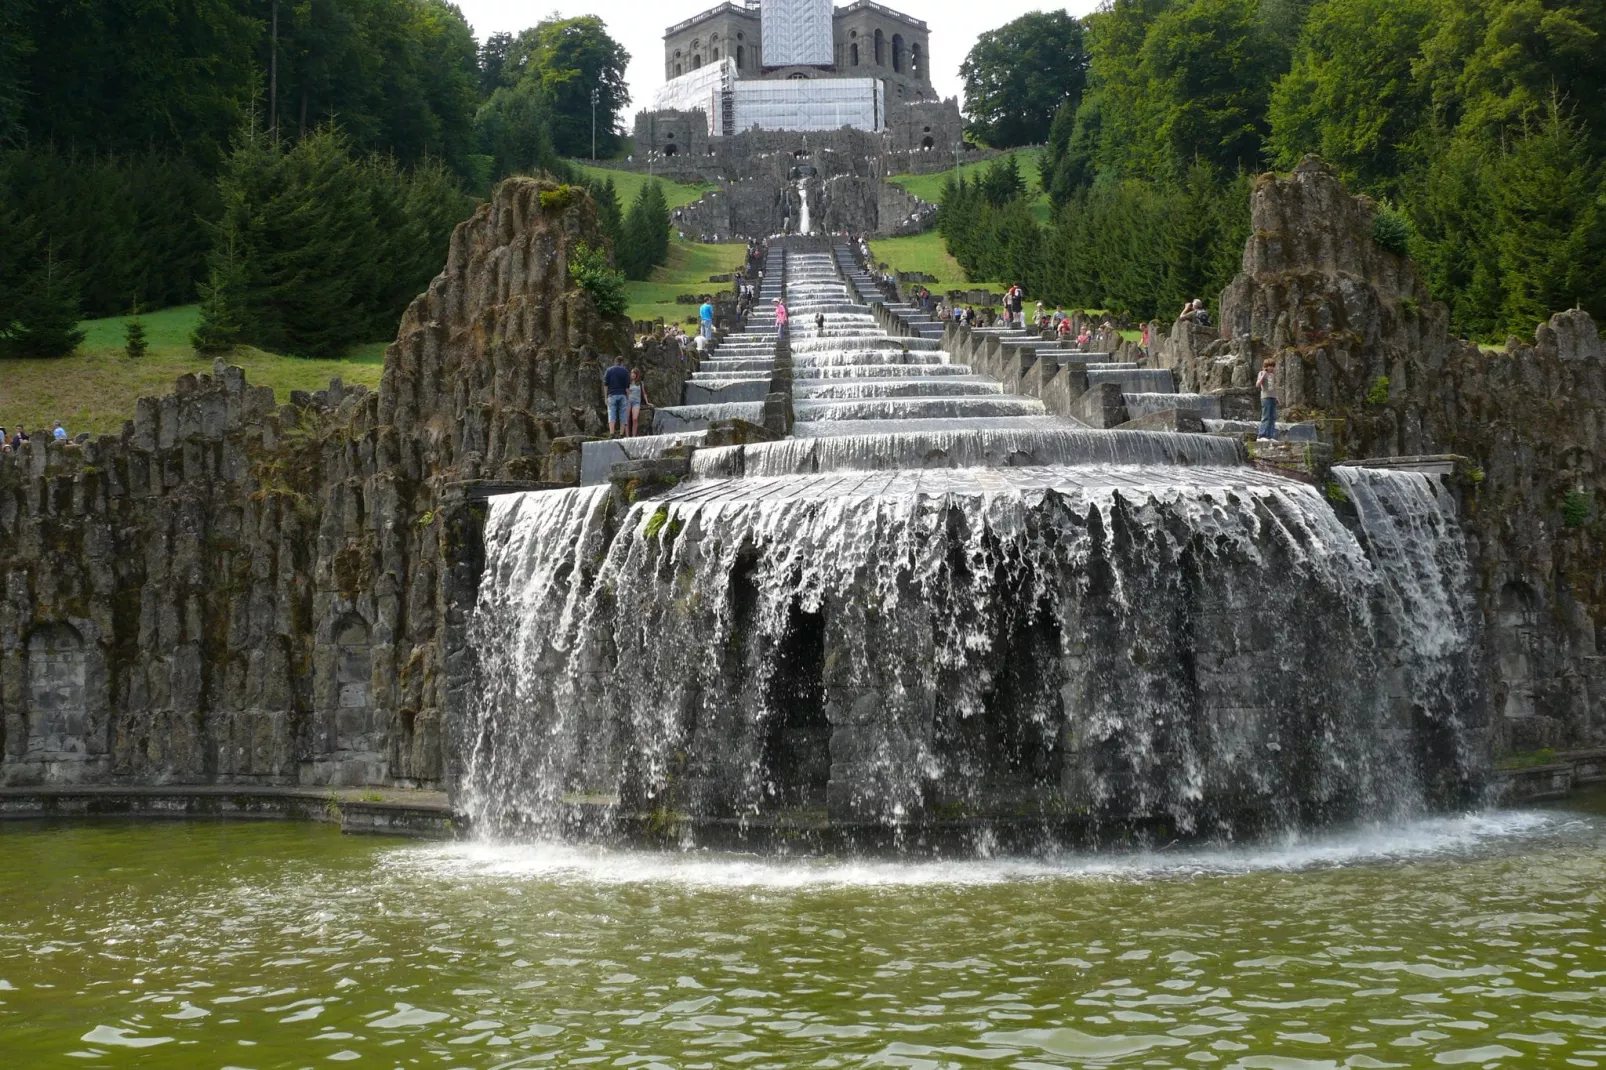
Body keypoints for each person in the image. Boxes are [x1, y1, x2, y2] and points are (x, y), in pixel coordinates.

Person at [603, 355, 631, 437]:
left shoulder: (609, 370)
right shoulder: (625, 371)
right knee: (623, 414)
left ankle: (612, 433)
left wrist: (605, 397)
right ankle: (621, 434)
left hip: (612, 395)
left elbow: (605, 385)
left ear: (615, 362)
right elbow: (627, 387)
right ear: (622, 362)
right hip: (622, 395)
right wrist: (628, 399)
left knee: (612, 413)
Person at [1256, 358, 1279, 442]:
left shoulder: (1272, 375)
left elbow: (1272, 388)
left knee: (1272, 417)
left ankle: (1270, 436)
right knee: (1266, 416)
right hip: (1265, 397)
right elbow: (1258, 385)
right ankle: (1262, 435)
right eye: (1270, 366)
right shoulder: (1262, 373)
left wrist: (1276, 397)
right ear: (1266, 367)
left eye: (1273, 366)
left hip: (1272, 398)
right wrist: (1264, 374)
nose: (1272, 368)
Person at [627, 368, 650, 438]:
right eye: (632, 373)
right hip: (628, 401)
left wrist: (647, 402)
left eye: (634, 373)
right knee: (627, 418)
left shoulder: (640, 383)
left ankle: (633, 436)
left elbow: (644, 393)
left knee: (635, 418)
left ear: (637, 375)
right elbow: (626, 392)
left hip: (636, 402)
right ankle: (627, 436)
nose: (632, 375)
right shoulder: (628, 382)